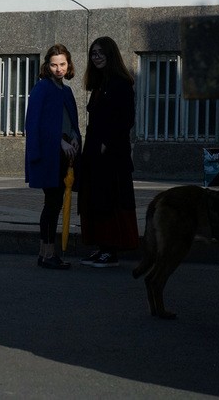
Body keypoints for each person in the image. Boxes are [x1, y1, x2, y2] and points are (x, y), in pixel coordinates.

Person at [77, 36, 139, 268]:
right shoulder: (99, 84)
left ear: (111, 55)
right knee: (96, 199)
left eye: (101, 53)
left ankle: (111, 250)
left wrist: (107, 143)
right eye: (93, 53)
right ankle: (102, 246)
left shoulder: (121, 83)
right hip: (94, 151)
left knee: (111, 200)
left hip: (112, 154)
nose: (97, 57)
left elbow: (126, 120)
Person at [25, 44, 82, 270]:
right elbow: (34, 122)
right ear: (47, 66)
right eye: (54, 65)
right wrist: (59, 141)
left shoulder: (65, 91)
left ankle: (44, 253)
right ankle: (48, 253)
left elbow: (72, 120)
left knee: (55, 203)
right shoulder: (42, 87)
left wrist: (76, 137)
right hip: (50, 155)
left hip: (65, 154)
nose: (59, 69)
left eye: (62, 64)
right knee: (52, 204)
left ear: (68, 65)